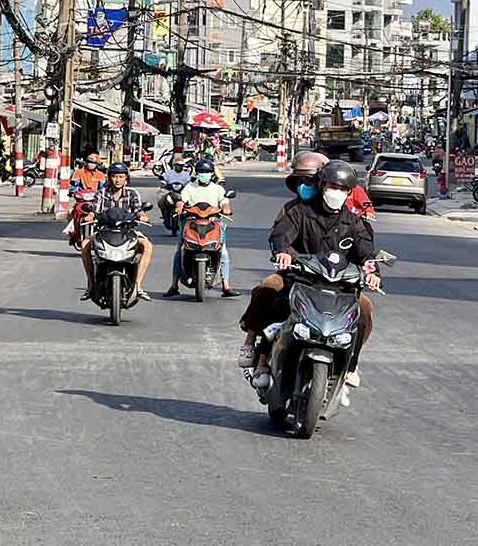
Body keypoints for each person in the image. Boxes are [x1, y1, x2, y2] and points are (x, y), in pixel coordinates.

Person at [237, 160, 381, 395]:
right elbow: (281, 235)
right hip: (299, 278)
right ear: (322, 185)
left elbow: (366, 252)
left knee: (364, 308)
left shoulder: (355, 223)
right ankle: (258, 351)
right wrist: (283, 251)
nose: (337, 192)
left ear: (350, 192)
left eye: (343, 188)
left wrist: (372, 271)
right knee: (270, 287)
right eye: (332, 186)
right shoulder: (300, 212)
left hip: (340, 287)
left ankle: (350, 366)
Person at [163, 159, 240, 298]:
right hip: (191, 222)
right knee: (180, 250)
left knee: (223, 251)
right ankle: (174, 285)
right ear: (196, 174)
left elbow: (225, 203)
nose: (204, 174)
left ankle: (226, 285)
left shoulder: (218, 189)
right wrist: (179, 207)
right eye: (201, 172)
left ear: (212, 174)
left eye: (207, 172)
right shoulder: (190, 187)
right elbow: (181, 200)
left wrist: (226, 209)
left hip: (213, 223)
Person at [80, 163, 154, 301]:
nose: (117, 180)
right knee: (85, 244)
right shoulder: (102, 193)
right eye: (114, 176)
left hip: (128, 232)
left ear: (126, 178)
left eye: (121, 176)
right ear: (109, 178)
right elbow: (94, 211)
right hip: (104, 232)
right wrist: (90, 216)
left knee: (147, 246)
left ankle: (138, 285)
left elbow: (139, 211)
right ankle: (90, 285)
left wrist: (142, 216)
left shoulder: (132, 194)